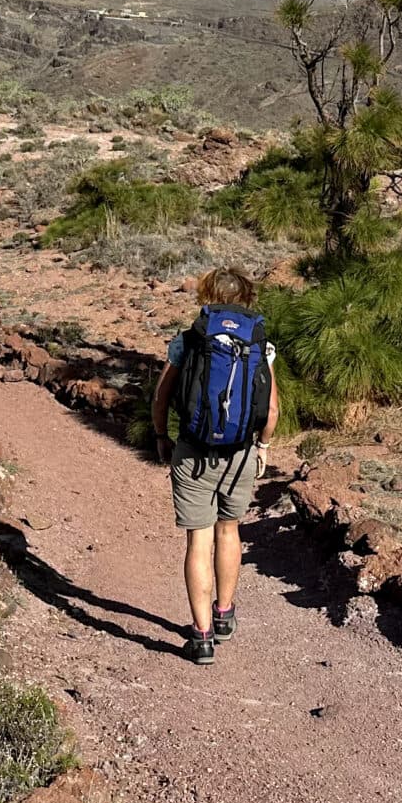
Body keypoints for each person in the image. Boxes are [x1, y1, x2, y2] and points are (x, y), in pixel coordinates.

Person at [150, 266, 277, 666]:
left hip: (192, 451)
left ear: (206, 297)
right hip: (239, 453)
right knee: (229, 530)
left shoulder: (189, 339)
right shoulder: (259, 344)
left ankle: (201, 636)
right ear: (246, 298)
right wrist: (263, 446)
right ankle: (224, 613)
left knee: (198, 541)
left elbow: (161, 397)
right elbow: (271, 409)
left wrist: (161, 436)